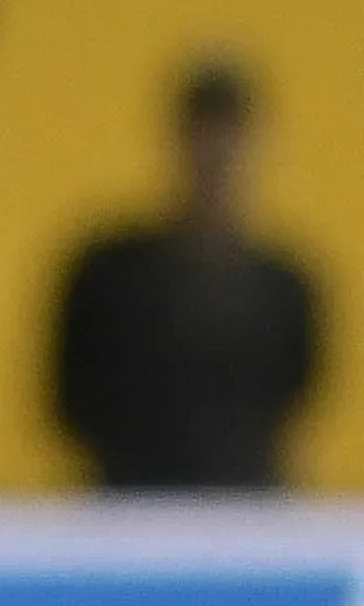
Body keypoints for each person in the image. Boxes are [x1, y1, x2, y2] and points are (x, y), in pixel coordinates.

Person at [49, 55, 327, 491]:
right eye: (204, 130)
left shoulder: (287, 286)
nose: (216, 151)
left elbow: (297, 395)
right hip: (131, 505)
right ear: (178, 138)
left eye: (229, 132)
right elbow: (71, 398)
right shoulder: (108, 275)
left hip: (248, 506)